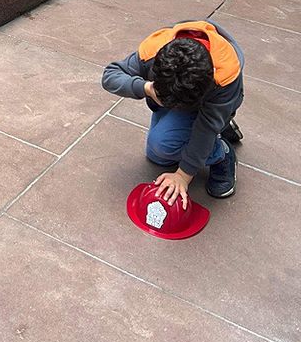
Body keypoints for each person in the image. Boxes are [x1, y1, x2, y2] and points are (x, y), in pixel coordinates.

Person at [101, 20, 244, 207]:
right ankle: (220, 124)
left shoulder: (224, 76)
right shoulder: (155, 50)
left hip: (216, 102)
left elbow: (206, 128)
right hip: (185, 93)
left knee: (170, 144)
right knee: (158, 154)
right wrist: (146, 88)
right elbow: (110, 76)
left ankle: (221, 152)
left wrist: (183, 176)